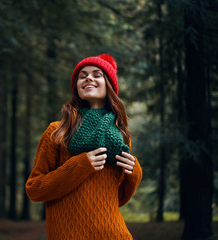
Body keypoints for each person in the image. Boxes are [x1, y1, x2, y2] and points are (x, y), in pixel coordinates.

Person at [25, 53, 143, 239]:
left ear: (109, 85)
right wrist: (80, 165)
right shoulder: (57, 131)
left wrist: (134, 173)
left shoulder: (120, 134)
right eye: (82, 75)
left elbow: (117, 199)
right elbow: (34, 189)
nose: (88, 77)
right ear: (76, 87)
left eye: (97, 74)